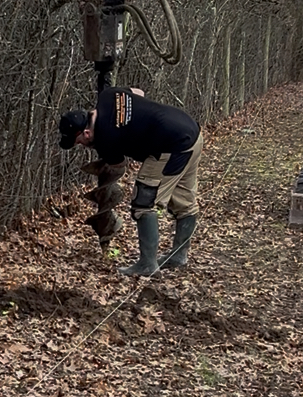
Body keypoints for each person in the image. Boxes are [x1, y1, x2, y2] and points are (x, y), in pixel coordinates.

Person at [58, 83, 202, 277]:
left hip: (171, 148)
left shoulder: (105, 139)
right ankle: (179, 256)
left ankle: (147, 264)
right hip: (191, 131)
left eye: (79, 143)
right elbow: (139, 93)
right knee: (184, 200)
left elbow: (118, 166)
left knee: (143, 202)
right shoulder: (108, 95)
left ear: (86, 133)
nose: (82, 146)